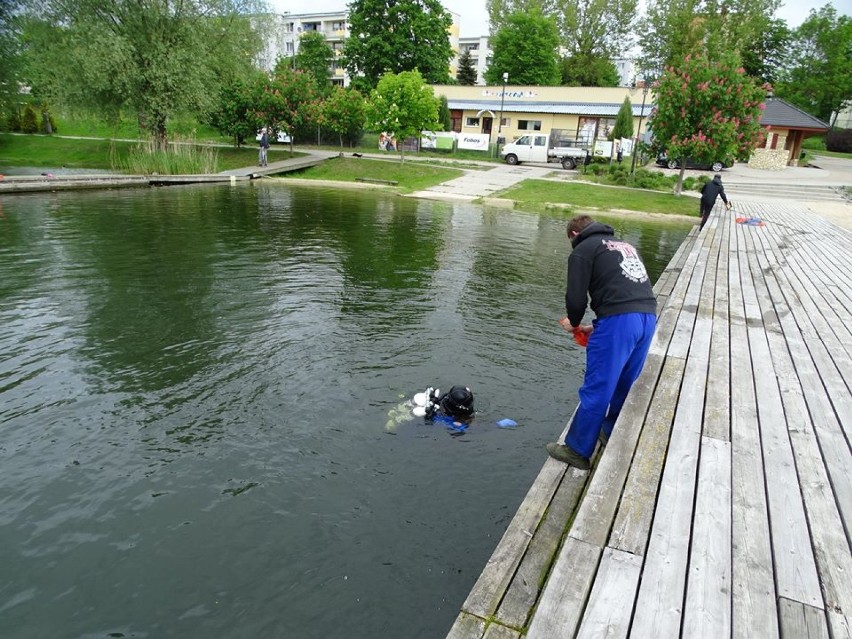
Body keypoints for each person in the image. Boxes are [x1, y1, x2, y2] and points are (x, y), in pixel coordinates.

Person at [546, 215, 657, 470]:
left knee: (598, 386)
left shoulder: (583, 250)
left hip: (620, 322)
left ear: (574, 235)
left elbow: (575, 298)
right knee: (624, 381)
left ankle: (577, 450)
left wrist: (573, 323)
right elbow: (625, 291)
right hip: (647, 318)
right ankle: (608, 430)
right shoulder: (624, 245)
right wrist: (596, 326)